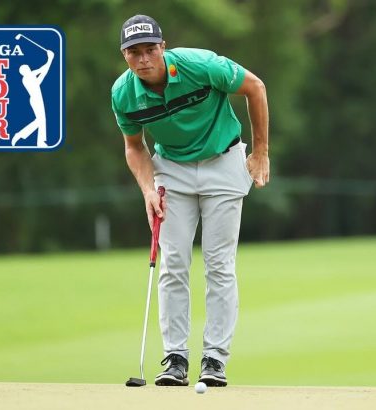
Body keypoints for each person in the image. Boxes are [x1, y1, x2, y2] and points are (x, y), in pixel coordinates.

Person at [110, 14, 269, 387]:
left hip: (224, 161)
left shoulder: (199, 65)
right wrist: (149, 189)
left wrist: (260, 151)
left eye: (151, 49)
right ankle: (176, 358)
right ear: (124, 55)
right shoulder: (123, 93)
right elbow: (135, 148)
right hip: (172, 170)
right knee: (174, 262)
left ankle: (214, 359)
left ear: (163, 48)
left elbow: (256, 87)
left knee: (219, 264)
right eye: (135, 52)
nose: (144, 58)